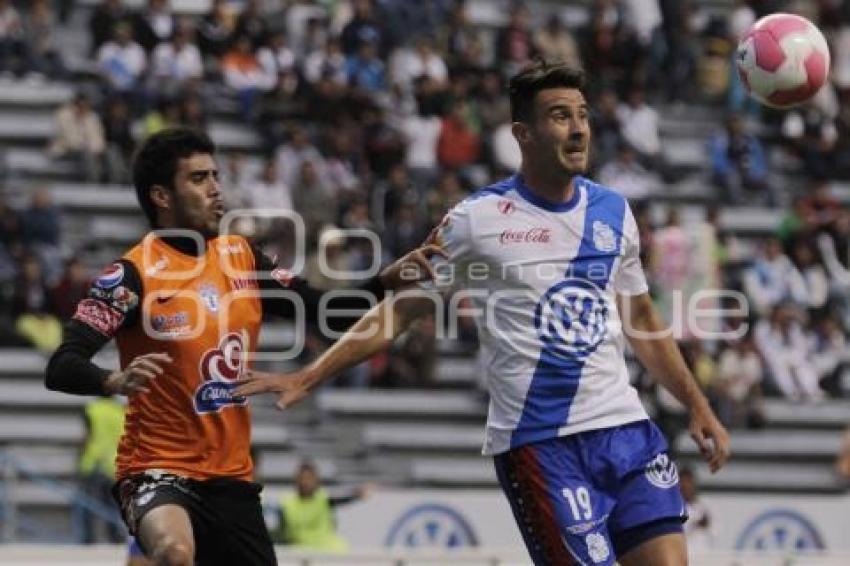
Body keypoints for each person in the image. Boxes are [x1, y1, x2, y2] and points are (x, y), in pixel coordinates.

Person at [234, 62, 731, 565]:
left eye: (582, 115)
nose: (579, 128)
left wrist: (697, 403)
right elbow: (400, 314)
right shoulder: (476, 220)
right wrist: (311, 374)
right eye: (560, 117)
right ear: (523, 133)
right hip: (542, 446)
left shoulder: (614, 210)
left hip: (625, 429)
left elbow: (642, 318)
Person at [44, 127, 443, 566]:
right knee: (175, 553)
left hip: (231, 478)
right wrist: (113, 379)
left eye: (215, 175)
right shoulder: (131, 275)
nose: (216, 188)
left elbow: (330, 310)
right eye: (198, 179)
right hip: (155, 469)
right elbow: (63, 364)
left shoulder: (242, 258)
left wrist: (385, 279)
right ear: (161, 196)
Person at [270, 459, 368, 552]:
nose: (305, 482)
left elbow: (342, 499)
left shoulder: (323, 499)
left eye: (309, 478)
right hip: (298, 552)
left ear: (316, 480)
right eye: (302, 478)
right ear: (296, 480)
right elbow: (279, 532)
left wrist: (357, 495)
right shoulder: (287, 503)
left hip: (326, 551)